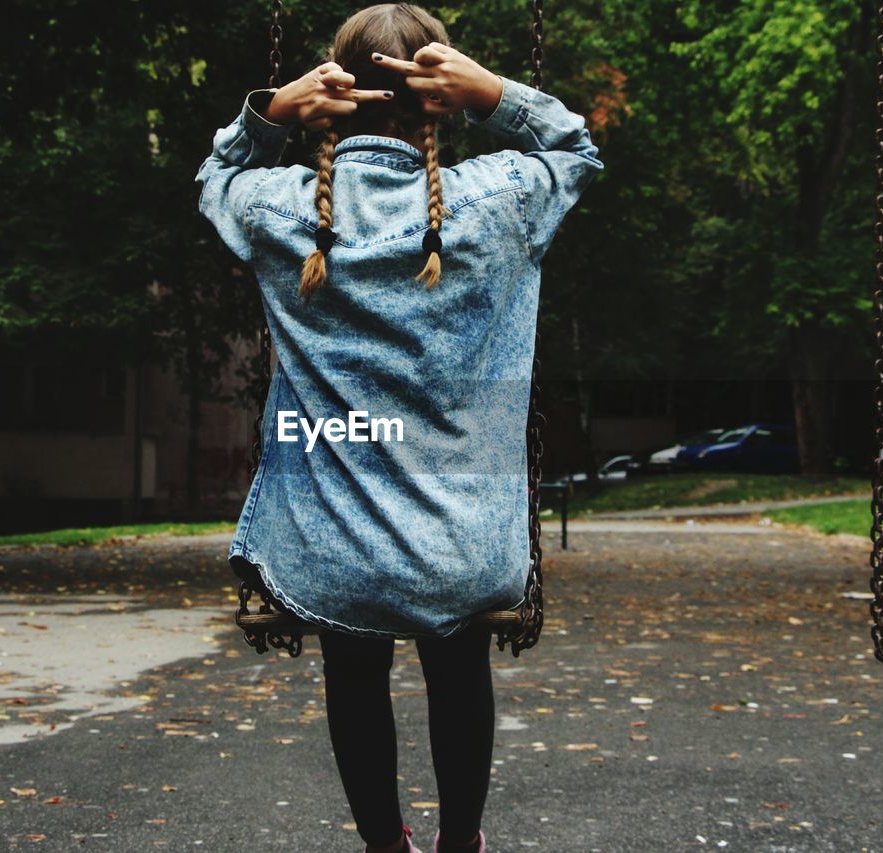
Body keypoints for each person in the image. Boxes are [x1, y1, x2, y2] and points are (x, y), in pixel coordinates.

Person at [194, 4, 603, 852]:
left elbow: (213, 179)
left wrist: (271, 112)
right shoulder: (501, 198)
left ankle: (386, 845)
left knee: (353, 664)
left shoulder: (278, 208)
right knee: (458, 665)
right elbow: (574, 148)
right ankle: (461, 845)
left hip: (333, 550)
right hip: (462, 548)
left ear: (333, 97)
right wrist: (494, 94)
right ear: (439, 99)